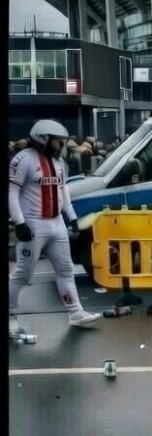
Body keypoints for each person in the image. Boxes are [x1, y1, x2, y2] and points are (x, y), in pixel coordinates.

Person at [9, 119, 101, 329]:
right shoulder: (23, 160)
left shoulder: (59, 163)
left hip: (56, 222)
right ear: (43, 139)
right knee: (24, 274)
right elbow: (12, 193)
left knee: (66, 269)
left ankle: (76, 312)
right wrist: (20, 223)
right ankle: (10, 313)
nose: (61, 146)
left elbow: (64, 191)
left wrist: (73, 216)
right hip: (33, 223)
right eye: (58, 141)